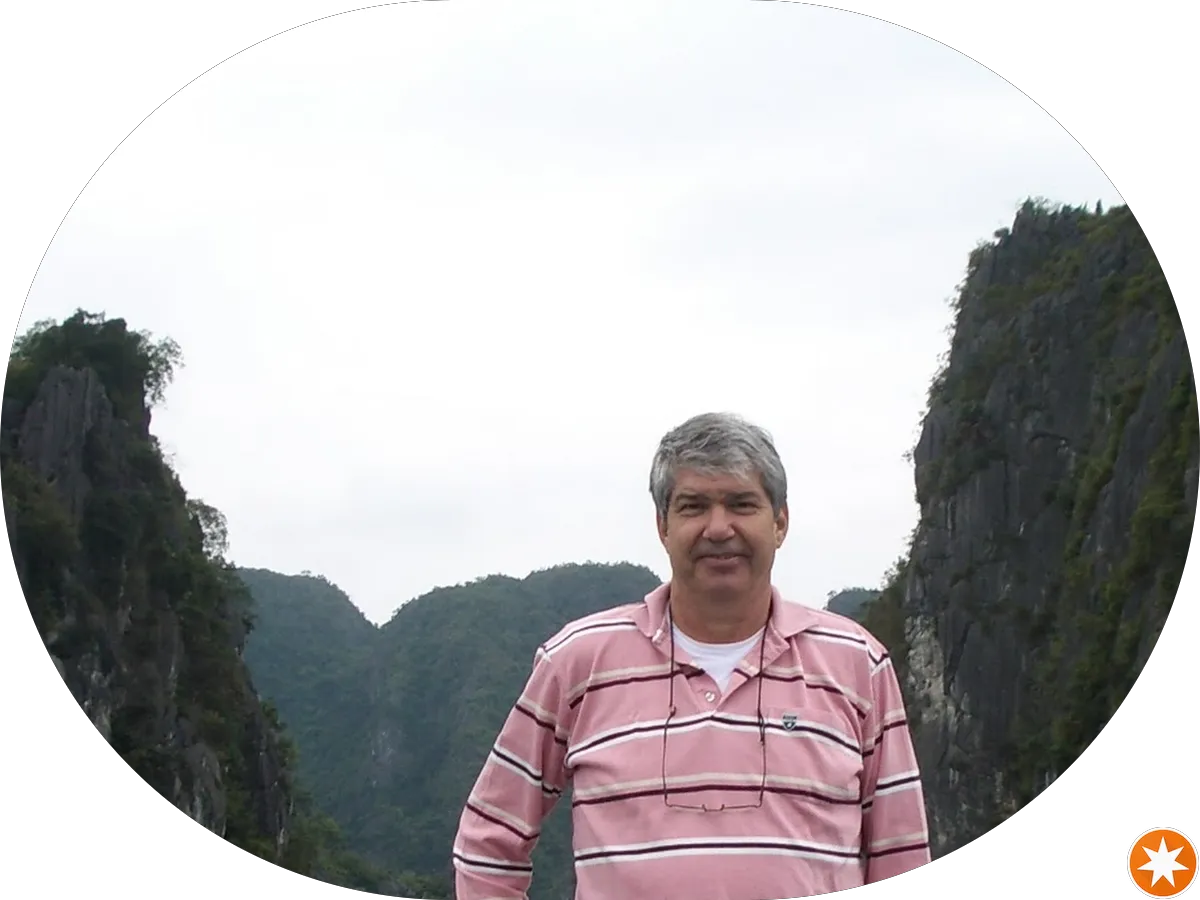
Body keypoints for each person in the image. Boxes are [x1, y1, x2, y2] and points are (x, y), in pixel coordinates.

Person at [452, 412, 931, 899]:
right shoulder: (578, 662)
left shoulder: (857, 664)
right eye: (693, 506)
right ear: (663, 525)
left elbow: (901, 851)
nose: (718, 528)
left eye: (741, 504)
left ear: (780, 522)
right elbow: (488, 839)